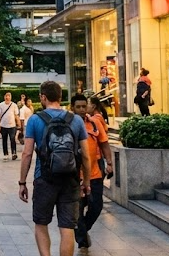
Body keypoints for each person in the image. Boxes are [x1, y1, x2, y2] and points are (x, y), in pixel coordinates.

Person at [18, 81, 92, 256]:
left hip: (44, 179)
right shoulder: (76, 120)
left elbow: (27, 154)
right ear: (60, 97)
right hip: (71, 179)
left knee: (41, 223)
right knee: (67, 226)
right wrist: (86, 181)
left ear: (43, 97)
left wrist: (22, 182)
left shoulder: (35, 120)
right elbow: (86, 155)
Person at [74, 94, 114, 249]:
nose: (82, 110)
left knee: (96, 206)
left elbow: (104, 144)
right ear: (73, 108)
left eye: (84, 106)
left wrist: (109, 162)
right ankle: (81, 234)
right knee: (77, 208)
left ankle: (81, 232)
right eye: (79, 107)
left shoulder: (94, 123)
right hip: (75, 176)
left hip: (94, 173)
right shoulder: (67, 125)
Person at [0, 92, 21, 161]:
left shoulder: (14, 105)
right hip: (3, 125)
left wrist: (19, 123)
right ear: (4, 97)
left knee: (12, 139)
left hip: (12, 125)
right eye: (6, 96)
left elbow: (16, 115)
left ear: (10, 97)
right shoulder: (0, 105)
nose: (7, 98)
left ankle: (14, 153)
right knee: (4, 140)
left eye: (9, 96)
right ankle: (5, 154)